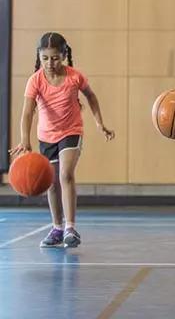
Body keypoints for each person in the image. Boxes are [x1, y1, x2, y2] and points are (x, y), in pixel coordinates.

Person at [10, 32, 115, 248]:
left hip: (71, 131)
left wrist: (99, 123)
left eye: (55, 58)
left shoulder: (75, 77)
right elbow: (27, 113)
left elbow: (91, 97)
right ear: (39, 56)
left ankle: (70, 228)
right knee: (51, 182)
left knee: (66, 175)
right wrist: (25, 140)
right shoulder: (35, 80)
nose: (50, 63)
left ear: (64, 55)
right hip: (46, 136)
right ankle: (57, 228)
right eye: (45, 58)